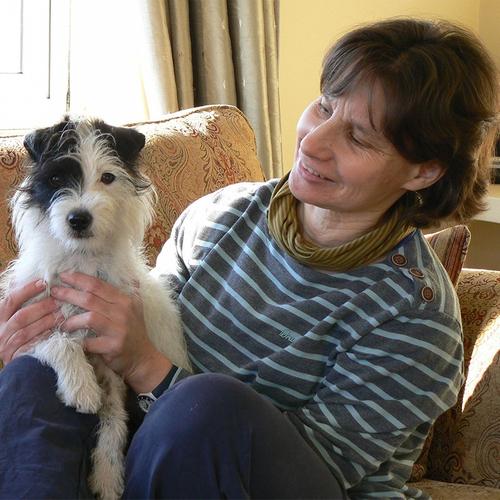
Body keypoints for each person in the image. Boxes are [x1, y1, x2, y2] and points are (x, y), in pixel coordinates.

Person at [0, 17, 498, 499]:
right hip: (158, 460)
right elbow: (136, 352)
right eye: (324, 107)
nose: (313, 142)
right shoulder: (221, 215)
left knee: (208, 404)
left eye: (358, 137)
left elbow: (323, 467)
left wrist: (145, 364)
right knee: (36, 374)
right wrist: (37, 341)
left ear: (422, 171)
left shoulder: (414, 315)